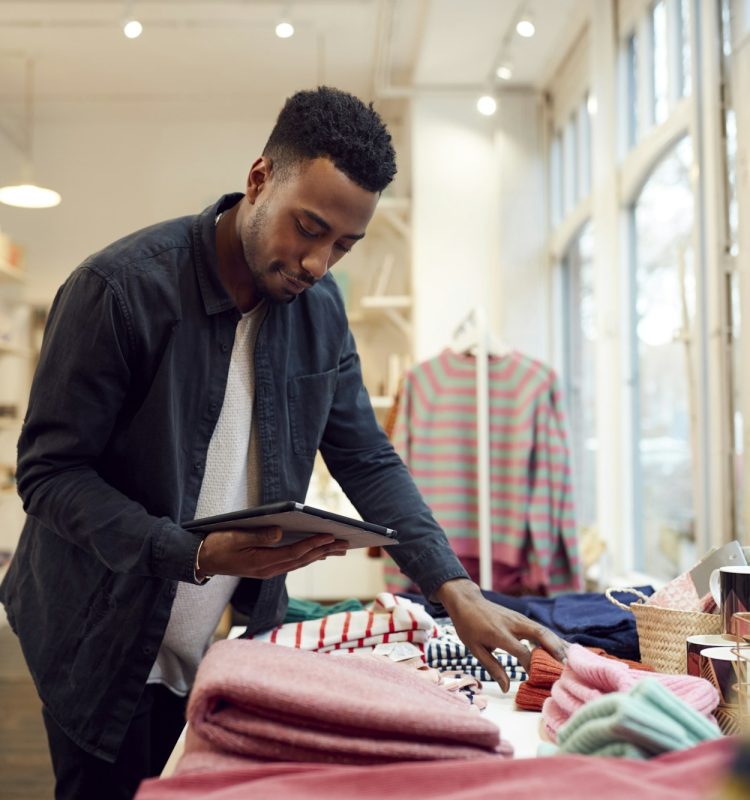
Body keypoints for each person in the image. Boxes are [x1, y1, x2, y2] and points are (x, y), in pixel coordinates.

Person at [0, 86, 567, 799]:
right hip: (99, 635)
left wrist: (452, 588)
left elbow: (365, 454)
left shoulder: (320, 311)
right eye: (308, 228)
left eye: (344, 245)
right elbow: (51, 475)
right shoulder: (119, 291)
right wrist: (196, 554)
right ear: (260, 178)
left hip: (225, 638)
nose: (319, 264)